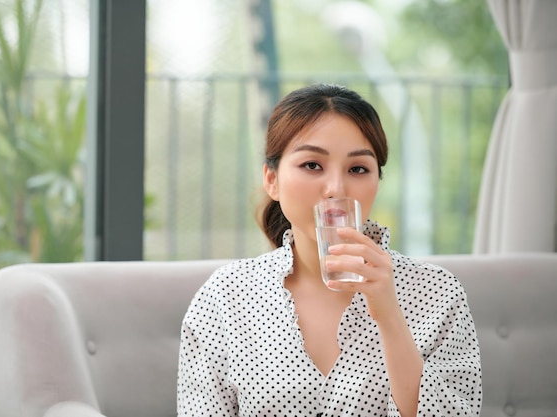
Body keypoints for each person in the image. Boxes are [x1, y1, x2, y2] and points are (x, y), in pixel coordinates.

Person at [177, 83, 482, 416]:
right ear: (272, 180)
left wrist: (389, 315)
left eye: (357, 169)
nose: (336, 188)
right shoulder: (225, 297)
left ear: (376, 182)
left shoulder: (438, 293)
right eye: (312, 165)